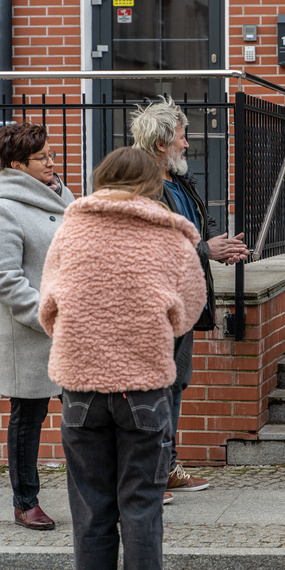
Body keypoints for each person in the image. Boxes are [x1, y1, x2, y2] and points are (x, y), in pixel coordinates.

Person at [39, 147, 206, 570]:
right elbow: (188, 312)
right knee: (142, 510)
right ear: (151, 185)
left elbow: (48, 310)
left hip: (80, 387)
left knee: (91, 514)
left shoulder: (71, 229)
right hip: (145, 387)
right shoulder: (171, 235)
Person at [130, 96, 249, 496]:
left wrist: (223, 245)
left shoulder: (179, 180)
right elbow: (152, 245)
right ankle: (149, 474)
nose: (186, 143)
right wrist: (206, 251)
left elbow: (199, 224)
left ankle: (167, 467)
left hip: (185, 302)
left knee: (177, 384)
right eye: (182, 136)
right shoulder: (142, 186)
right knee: (155, 389)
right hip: (156, 307)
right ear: (161, 143)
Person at [0, 123, 74, 531]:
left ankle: (102, 490)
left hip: (73, 332)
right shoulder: (5, 207)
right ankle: (25, 501)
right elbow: (7, 279)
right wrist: (50, 318)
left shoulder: (64, 196)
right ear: (16, 165)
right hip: (32, 334)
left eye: (51, 154)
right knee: (28, 419)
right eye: (42, 157)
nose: (52, 162)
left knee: (88, 415)